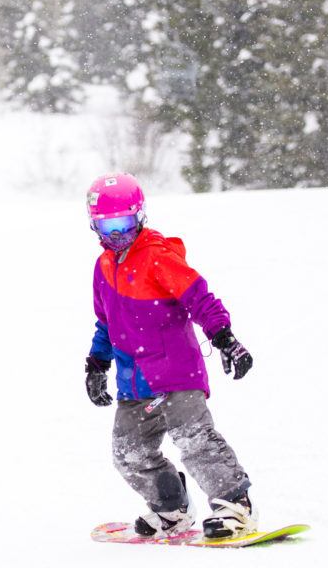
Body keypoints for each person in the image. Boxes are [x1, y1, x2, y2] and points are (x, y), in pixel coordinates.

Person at [84, 172, 259, 540]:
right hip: (134, 381)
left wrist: (225, 338)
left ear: (140, 216)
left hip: (175, 373)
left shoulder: (158, 256)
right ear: (94, 225)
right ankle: (171, 508)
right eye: (107, 226)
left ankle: (235, 505)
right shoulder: (102, 269)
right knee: (128, 451)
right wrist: (97, 363)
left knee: (194, 439)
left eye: (124, 224)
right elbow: (106, 323)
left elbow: (200, 299)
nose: (117, 235)